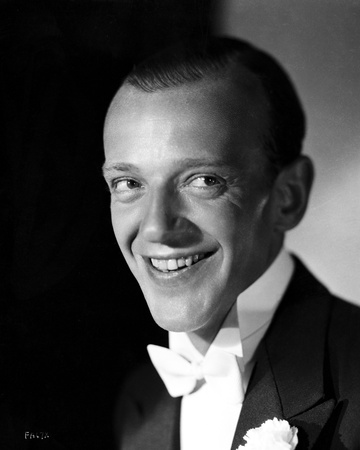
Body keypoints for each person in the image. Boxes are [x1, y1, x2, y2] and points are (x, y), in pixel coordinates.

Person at [102, 37, 360, 450]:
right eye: (128, 183)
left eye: (203, 180)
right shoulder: (138, 400)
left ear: (288, 196)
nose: (155, 229)